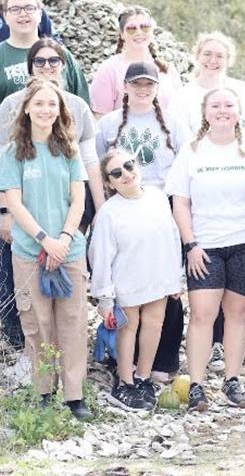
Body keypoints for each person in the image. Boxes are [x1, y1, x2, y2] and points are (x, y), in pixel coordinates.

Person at [0, 0, 88, 350]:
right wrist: (1, 204)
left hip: (63, 183)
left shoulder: (70, 91)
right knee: (11, 254)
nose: (48, 67)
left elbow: (86, 140)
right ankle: (17, 336)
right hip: (13, 179)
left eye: (30, 8)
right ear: (5, 14)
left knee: (64, 259)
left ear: (41, 13)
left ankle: (65, 350)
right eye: (15, 8)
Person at [166, 87, 245, 411]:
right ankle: (196, 384)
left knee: (238, 314)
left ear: (240, 112)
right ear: (205, 112)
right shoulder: (191, 151)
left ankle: (232, 380)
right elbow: (180, 202)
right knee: (201, 314)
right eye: (215, 105)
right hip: (205, 245)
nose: (222, 110)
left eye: (229, 104)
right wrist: (190, 244)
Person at [0, 78, 92, 420]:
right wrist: (44, 240)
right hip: (30, 251)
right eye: (39, 104)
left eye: (52, 104)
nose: (45, 110)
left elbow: (79, 198)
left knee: (72, 321)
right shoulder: (12, 154)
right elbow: (15, 204)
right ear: (26, 108)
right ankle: (43, 391)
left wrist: (64, 239)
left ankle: (75, 395)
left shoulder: (68, 149)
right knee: (37, 323)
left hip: (69, 251)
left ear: (60, 110)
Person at [96, 61, 190, 381]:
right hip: (121, 207)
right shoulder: (108, 125)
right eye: (136, 84)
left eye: (148, 84)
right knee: (127, 289)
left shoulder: (173, 123)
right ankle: (122, 362)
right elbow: (99, 166)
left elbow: (184, 168)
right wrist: (100, 206)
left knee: (165, 290)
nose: (142, 90)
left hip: (161, 204)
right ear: (124, 87)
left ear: (156, 87)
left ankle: (160, 362)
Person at [89, 150, 183, 411]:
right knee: (129, 328)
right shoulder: (109, 213)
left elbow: (172, 235)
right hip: (127, 280)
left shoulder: (157, 196)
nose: (126, 174)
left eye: (128, 166)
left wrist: (176, 276)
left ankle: (143, 377)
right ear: (109, 183)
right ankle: (125, 382)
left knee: (154, 325)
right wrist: (104, 296)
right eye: (117, 173)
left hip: (159, 275)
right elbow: (100, 255)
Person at [0, 38, 104, 228]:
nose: (47, 66)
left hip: (70, 202)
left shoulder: (78, 106)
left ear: (62, 65)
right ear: (30, 66)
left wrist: (101, 210)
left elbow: (90, 161)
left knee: (68, 252)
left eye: (53, 60)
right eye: (39, 61)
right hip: (25, 203)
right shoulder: (11, 104)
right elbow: (3, 164)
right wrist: (5, 211)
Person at [89, 6, 181, 116]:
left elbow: (179, 113)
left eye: (145, 27)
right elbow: (100, 117)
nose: (139, 32)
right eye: (132, 29)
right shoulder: (109, 69)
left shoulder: (167, 69)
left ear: (152, 31)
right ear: (122, 34)